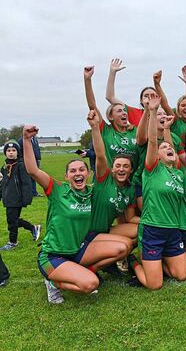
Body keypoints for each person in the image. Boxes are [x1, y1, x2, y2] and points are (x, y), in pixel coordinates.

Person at [24, 124, 128, 304]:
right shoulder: (57, 190)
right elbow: (33, 170)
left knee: (121, 248)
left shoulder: (91, 192)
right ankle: (52, 282)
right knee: (91, 284)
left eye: (82, 170)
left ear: (88, 174)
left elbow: (102, 158)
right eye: (73, 171)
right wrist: (26, 140)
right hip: (53, 254)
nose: (78, 173)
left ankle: (82, 270)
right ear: (66, 176)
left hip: (78, 250)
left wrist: (96, 127)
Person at [128, 96, 186, 290]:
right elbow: (153, 141)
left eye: (170, 147)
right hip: (152, 230)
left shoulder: (178, 173)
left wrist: (168, 133)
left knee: (181, 275)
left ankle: (157, 261)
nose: (167, 148)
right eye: (164, 148)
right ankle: (133, 262)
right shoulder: (152, 169)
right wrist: (153, 112)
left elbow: (173, 148)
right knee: (155, 285)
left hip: (173, 230)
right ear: (156, 155)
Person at [86, 109, 138, 248]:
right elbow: (101, 155)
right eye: (118, 166)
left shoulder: (130, 189)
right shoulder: (104, 180)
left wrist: (155, 221)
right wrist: (95, 127)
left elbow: (131, 218)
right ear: (112, 168)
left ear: (131, 170)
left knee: (142, 230)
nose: (121, 169)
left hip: (106, 231)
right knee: (124, 245)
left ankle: (122, 258)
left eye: (126, 166)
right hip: (88, 232)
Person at [84, 66, 138, 169]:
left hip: (132, 181)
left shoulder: (135, 131)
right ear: (110, 116)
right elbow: (92, 105)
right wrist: (87, 79)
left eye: (125, 111)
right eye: (119, 111)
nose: (124, 113)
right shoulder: (106, 130)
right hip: (111, 179)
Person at [1, 140, 40, 251]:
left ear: (18, 152)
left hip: (16, 198)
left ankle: (12, 242)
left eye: (14, 150)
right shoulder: (4, 167)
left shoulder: (21, 165)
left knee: (12, 221)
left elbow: (26, 183)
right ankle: (33, 227)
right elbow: (3, 183)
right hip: (7, 198)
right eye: (8, 150)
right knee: (13, 220)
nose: (11, 152)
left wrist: (27, 198)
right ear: (5, 153)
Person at [105, 58, 157, 127]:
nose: (149, 98)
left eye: (153, 95)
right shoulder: (134, 113)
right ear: (141, 101)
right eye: (146, 96)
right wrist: (112, 73)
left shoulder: (164, 114)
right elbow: (110, 97)